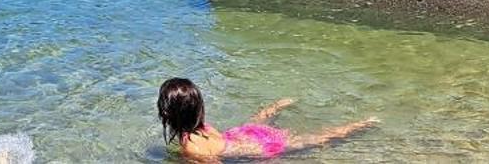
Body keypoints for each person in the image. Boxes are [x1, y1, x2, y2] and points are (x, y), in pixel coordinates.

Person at [157, 78, 376, 161]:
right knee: (257, 121)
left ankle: (362, 124)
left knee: (316, 138)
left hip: (260, 146)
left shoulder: (193, 148)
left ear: (166, 113)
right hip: (244, 134)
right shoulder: (201, 126)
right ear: (198, 109)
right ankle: (278, 105)